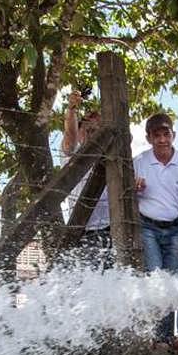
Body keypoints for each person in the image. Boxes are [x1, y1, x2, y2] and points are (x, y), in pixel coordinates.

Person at [133, 113, 178, 342]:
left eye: (165, 134)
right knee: (155, 280)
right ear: (149, 138)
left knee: (170, 282)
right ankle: (154, 335)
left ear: (173, 135)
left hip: (175, 230)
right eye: (156, 135)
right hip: (148, 227)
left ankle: (165, 337)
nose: (162, 139)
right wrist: (134, 188)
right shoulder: (139, 162)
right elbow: (126, 197)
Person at [62, 90, 112, 264]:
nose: (93, 134)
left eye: (97, 131)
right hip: (83, 231)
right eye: (88, 129)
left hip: (110, 230)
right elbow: (69, 137)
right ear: (80, 131)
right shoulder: (73, 154)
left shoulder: (112, 156)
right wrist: (72, 110)